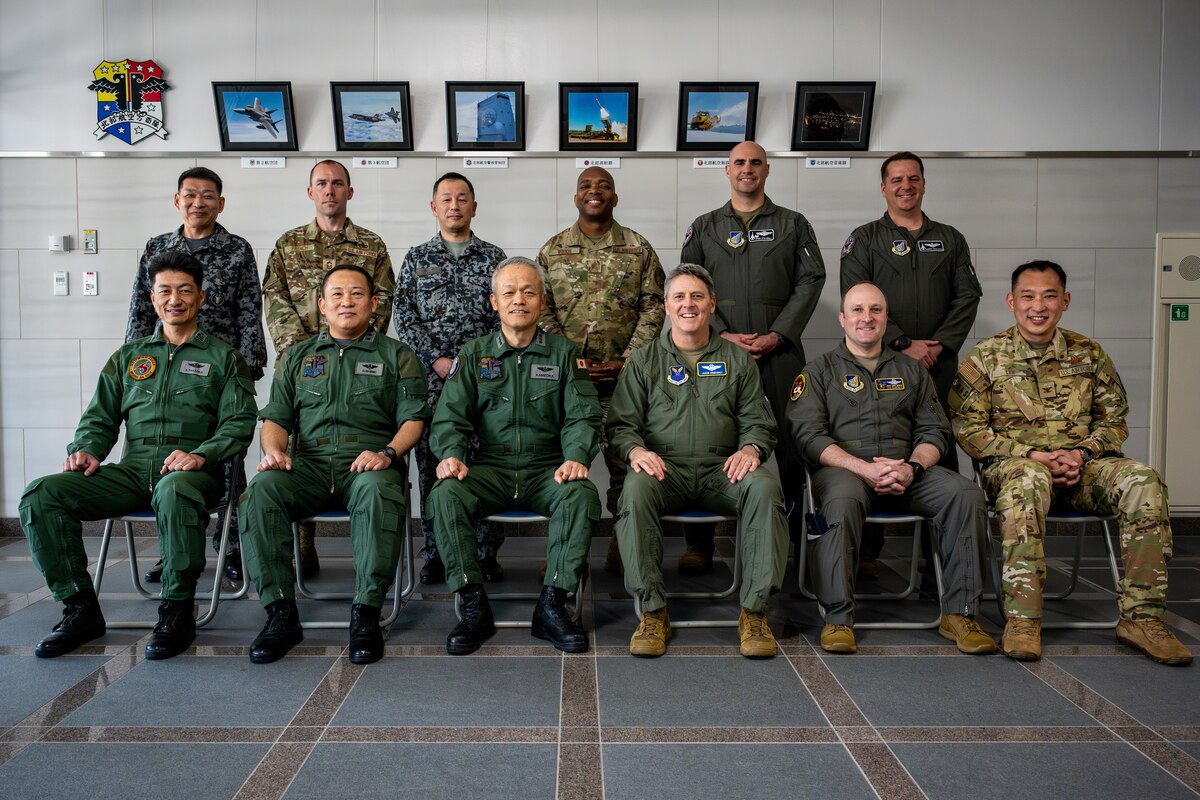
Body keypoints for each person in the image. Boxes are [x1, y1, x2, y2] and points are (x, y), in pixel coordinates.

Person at [950, 260, 1191, 665]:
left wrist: (1082, 454)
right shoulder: (987, 357)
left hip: (1084, 469)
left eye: (1048, 296)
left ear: (1065, 301)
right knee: (1028, 480)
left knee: (1142, 480)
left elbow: (1114, 421)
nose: (1038, 306)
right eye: (1028, 296)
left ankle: (1142, 619)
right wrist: (1031, 455)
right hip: (1017, 469)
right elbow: (966, 427)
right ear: (1012, 301)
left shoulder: (1089, 354)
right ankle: (1024, 621)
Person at [20, 251, 256, 660]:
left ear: (200, 298)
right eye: (165, 290)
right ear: (152, 299)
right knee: (41, 494)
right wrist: (85, 451)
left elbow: (239, 424)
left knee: (174, 488)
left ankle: (177, 612)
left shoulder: (224, 357)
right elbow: (99, 419)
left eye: (185, 291)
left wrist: (201, 455)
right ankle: (80, 609)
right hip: (133, 473)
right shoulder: (128, 359)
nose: (174, 299)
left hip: (196, 475)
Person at [788, 281, 995, 655]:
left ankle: (960, 614)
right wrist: (861, 469)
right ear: (842, 318)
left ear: (886, 317)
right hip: (844, 471)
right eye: (857, 310)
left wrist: (912, 467)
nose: (866, 318)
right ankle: (838, 617)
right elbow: (808, 436)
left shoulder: (913, 371)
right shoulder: (818, 371)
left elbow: (935, 430)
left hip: (907, 470)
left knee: (965, 494)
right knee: (841, 499)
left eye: (876, 310)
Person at [240, 265, 429, 665]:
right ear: (322, 306)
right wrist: (274, 452)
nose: (347, 302)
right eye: (338, 295)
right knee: (260, 491)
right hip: (308, 466)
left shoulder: (398, 356)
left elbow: (414, 419)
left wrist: (388, 455)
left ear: (374, 304)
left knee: (378, 492)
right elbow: (276, 418)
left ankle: (366, 614)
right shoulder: (298, 356)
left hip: (368, 464)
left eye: (357, 294)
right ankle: (279, 613)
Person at [607, 264, 788, 658]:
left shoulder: (738, 361)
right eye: (679, 297)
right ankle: (653, 612)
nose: (688, 304)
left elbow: (759, 421)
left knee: (765, 489)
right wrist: (636, 451)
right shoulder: (644, 361)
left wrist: (751, 449)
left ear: (711, 305)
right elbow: (621, 426)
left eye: (697, 297)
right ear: (668, 307)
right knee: (633, 491)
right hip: (663, 471)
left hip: (721, 471)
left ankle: (755, 612)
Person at [426, 257, 602, 655]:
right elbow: (449, 417)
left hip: (547, 470)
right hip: (492, 468)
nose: (518, 299)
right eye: (509, 292)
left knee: (582, 495)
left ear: (541, 300)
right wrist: (451, 455)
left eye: (528, 292)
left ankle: (553, 607)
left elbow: (583, 414)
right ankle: (473, 607)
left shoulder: (562, 353)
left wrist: (576, 456)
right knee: (443, 494)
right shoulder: (473, 355)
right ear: (494, 301)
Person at [680, 140, 825, 572]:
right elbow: (690, 285)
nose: (747, 169)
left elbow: (811, 279)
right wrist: (722, 333)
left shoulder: (793, 224)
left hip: (780, 353)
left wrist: (778, 333)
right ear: (727, 170)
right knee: (706, 440)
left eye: (755, 163)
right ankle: (699, 544)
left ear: (767, 170)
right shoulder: (705, 226)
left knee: (793, 445)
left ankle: (798, 541)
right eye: (739, 163)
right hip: (717, 355)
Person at [839, 151, 982, 578]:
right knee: (873, 444)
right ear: (883, 187)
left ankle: (935, 567)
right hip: (878, 361)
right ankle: (867, 554)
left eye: (913, 178)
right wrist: (902, 342)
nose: (905, 186)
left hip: (938, 364)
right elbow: (855, 294)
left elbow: (967, 296)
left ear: (923, 183)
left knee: (938, 450)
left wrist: (937, 346)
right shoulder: (864, 239)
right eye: (896, 179)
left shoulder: (950, 238)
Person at [126, 166, 266, 585]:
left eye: (208, 195)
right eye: (190, 194)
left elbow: (249, 311)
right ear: (177, 200)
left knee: (228, 461)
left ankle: (232, 548)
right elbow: (139, 308)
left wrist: (249, 366)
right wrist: (134, 366)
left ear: (220, 203)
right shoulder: (157, 248)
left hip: (220, 374)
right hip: (166, 373)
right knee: (168, 458)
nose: (198, 202)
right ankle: (175, 547)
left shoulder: (237, 249)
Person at [263, 159, 396, 578]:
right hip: (302, 365)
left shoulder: (371, 245)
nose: (330, 190)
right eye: (321, 183)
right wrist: (301, 354)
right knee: (298, 450)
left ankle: (366, 556)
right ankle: (301, 543)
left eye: (338, 183)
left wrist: (354, 346)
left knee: (341, 442)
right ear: (310, 192)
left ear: (350, 192)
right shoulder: (288, 244)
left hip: (359, 359)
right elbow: (275, 297)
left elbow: (383, 298)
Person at [538, 166, 665, 572]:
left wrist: (625, 362)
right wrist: (574, 364)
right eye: (586, 187)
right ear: (575, 198)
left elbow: (655, 307)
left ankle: (622, 545)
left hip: (626, 382)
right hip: (567, 385)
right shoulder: (552, 250)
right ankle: (562, 552)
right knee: (560, 465)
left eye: (604, 186)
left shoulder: (638, 248)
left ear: (615, 197)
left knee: (626, 467)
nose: (595, 192)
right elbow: (542, 314)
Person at [394, 172, 506, 585]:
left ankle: (485, 551)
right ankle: (435, 552)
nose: (455, 205)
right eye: (447, 198)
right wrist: (436, 360)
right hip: (433, 380)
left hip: (487, 380)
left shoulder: (495, 258)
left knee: (485, 459)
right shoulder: (416, 257)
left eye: (462, 198)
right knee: (432, 463)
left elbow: (507, 317)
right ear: (434, 207)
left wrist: (481, 363)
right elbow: (403, 317)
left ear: (474, 207)